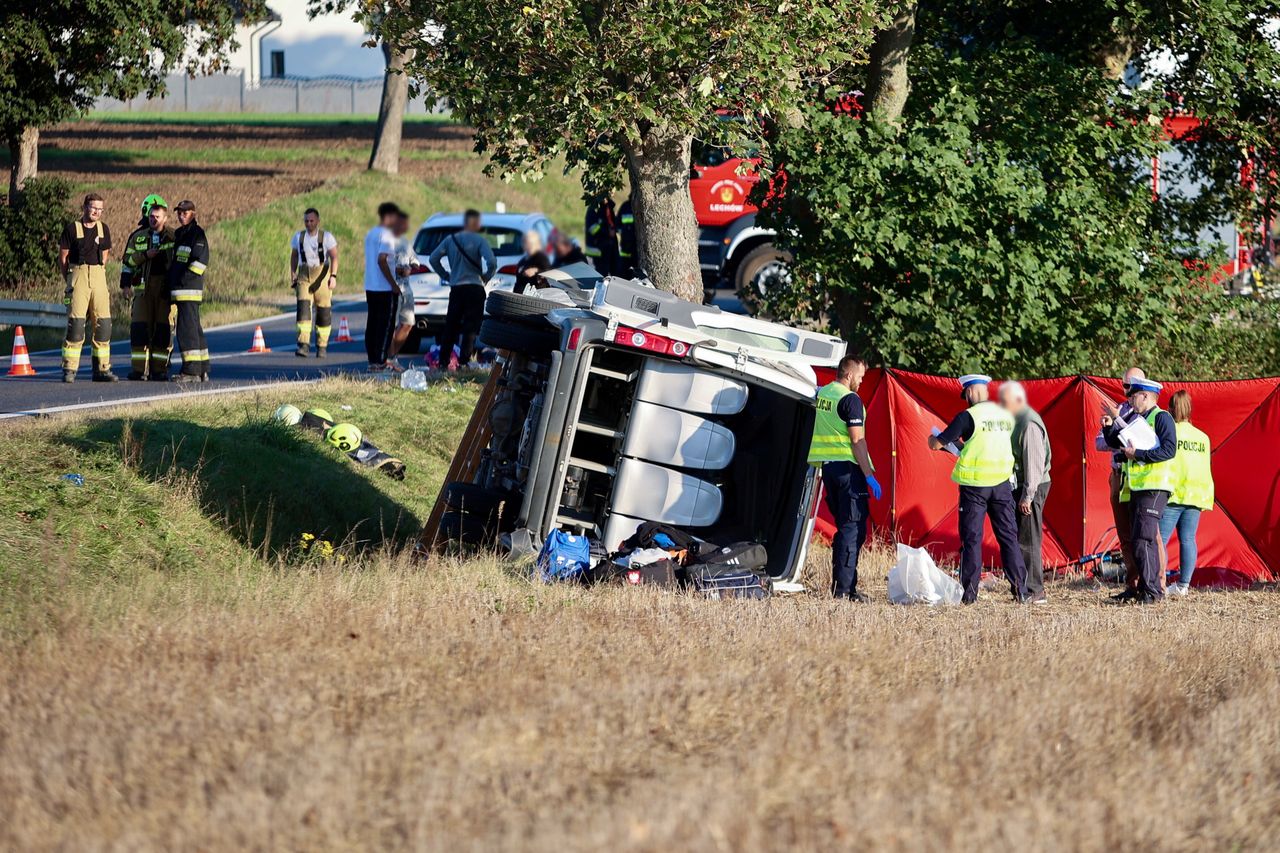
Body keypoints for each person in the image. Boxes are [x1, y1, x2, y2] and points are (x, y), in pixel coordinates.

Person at [928, 374, 1027, 604]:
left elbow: (939, 442)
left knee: (972, 540)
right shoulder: (1004, 415)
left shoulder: (967, 416)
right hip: (1002, 485)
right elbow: (988, 442)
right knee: (1008, 538)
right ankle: (1020, 590)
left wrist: (933, 441)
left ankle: (970, 595)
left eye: (966, 395)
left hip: (974, 488)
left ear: (971, 392)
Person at [808, 355, 882, 601]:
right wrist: (869, 476)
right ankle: (844, 591)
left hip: (829, 469)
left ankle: (842, 585)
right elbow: (857, 440)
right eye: (860, 376)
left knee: (844, 529)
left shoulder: (824, 394)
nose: (861, 381)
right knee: (853, 530)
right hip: (849, 472)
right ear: (849, 375)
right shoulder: (850, 400)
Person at [1102, 378, 1177, 603]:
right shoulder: (1138, 419)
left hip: (1154, 487)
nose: (1129, 400)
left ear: (1146, 395)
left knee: (1144, 539)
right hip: (1138, 487)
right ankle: (1146, 589)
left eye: (1133, 396)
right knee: (1139, 540)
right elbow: (1117, 443)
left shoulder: (1162, 417)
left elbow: (1169, 450)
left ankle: (1152, 592)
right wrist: (1108, 427)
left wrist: (1140, 455)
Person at [1096, 367, 1150, 597]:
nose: (1128, 392)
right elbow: (1100, 442)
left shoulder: (1146, 412)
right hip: (1119, 476)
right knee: (1125, 534)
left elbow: (1138, 440)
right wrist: (1111, 427)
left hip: (1140, 478)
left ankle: (1151, 584)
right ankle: (1132, 583)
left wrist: (1117, 426)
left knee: (1146, 535)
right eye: (1125, 386)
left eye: (1132, 387)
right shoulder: (1120, 408)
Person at [999, 381, 1051, 604]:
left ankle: (1034, 590)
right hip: (1020, 485)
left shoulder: (1028, 423)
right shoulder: (1016, 420)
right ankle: (1023, 588)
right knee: (1020, 538)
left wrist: (1028, 496)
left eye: (1005, 401)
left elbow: (1034, 463)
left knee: (1028, 540)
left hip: (1032, 486)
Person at [58, 192, 117, 383]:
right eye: (93, 208)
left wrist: (97, 273)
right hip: (78, 277)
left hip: (99, 277)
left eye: (100, 209)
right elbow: (63, 258)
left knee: (104, 325)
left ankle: (101, 369)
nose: (97, 212)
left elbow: (105, 255)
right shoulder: (72, 229)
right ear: (84, 207)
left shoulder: (104, 229)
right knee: (76, 325)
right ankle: (69, 369)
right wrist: (71, 279)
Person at [427, 208, 496, 370]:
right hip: (474, 286)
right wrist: (486, 277)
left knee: (451, 326)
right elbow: (492, 262)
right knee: (471, 327)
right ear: (477, 223)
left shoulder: (451, 240)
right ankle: (464, 361)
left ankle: (444, 361)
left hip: (457, 287)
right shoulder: (479, 241)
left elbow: (433, 258)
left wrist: (445, 275)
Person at [1162, 390, 1214, 596]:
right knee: (1188, 539)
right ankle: (1183, 585)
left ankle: (1159, 581)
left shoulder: (1168, 432)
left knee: (1160, 539)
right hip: (1197, 494)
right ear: (1190, 409)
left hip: (1174, 493)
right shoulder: (1203, 437)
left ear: (1170, 409)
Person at [120, 194, 176, 381]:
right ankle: (138, 370)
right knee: (139, 330)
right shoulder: (137, 237)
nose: (153, 219)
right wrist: (126, 284)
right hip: (143, 290)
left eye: (157, 217)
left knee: (162, 332)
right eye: (151, 216)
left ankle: (159, 370)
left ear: (165, 218)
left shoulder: (173, 237)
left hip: (164, 291)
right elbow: (127, 260)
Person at [168, 199, 210, 382]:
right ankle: (202, 369)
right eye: (179, 212)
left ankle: (191, 371)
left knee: (186, 330)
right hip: (181, 290)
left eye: (185, 212)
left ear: (193, 213)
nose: (181, 215)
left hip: (188, 290)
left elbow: (200, 263)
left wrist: (181, 280)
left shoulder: (197, 234)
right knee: (194, 328)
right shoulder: (180, 234)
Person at [289, 207, 339, 358]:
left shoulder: (327, 237)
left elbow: (334, 257)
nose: (309, 223)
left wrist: (333, 276)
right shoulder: (298, 237)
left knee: (324, 311)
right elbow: (294, 256)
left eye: (311, 221)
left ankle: (321, 346)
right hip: (304, 275)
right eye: (306, 221)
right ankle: (303, 345)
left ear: (317, 221)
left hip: (322, 275)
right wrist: (293, 273)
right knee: (303, 309)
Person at [363, 202, 406, 371]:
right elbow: (382, 259)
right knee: (385, 325)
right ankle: (380, 361)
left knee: (372, 323)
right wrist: (393, 284)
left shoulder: (371, 233)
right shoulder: (388, 235)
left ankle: (372, 359)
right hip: (384, 287)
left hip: (371, 285)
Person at [384, 210, 418, 370]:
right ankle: (389, 359)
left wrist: (412, 267)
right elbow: (380, 263)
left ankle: (392, 356)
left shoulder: (405, 241)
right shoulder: (385, 241)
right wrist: (395, 270)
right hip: (390, 289)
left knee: (408, 323)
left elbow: (414, 260)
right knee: (391, 325)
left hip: (407, 288)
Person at [584, 196, 619, 275]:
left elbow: (614, 223)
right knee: (601, 275)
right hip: (599, 249)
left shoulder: (609, 207)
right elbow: (592, 229)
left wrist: (615, 229)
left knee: (616, 273)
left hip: (611, 247)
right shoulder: (593, 209)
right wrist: (607, 231)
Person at [617, 196, 636, 277]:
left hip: (636, 247)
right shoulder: (625, 206)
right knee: (623, 271)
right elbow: (617, 224)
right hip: (625, 245)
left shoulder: (639, 206)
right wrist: (624, 233)